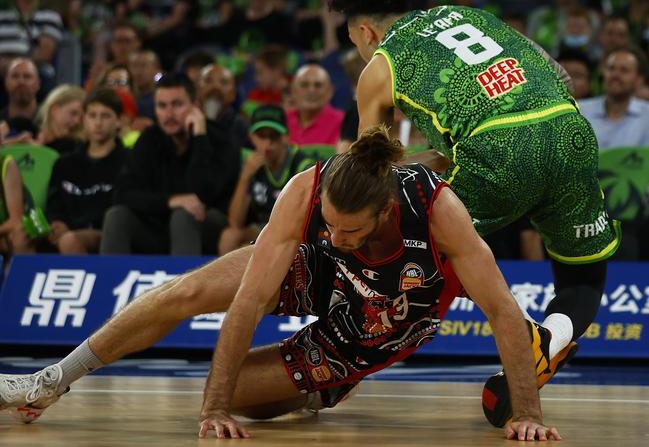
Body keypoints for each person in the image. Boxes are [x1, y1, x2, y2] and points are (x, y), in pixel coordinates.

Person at [0, 127, 560, 442]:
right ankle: (52, 379)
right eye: (331, 224)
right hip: (319, 270)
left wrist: (527, 416)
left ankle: (322, 386)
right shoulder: (306, 191)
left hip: (386, 315)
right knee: (186, 292)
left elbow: (506, 315)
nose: (338, 233)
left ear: (386, 211)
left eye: (352, 229)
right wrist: (211, 410)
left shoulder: (438, 212)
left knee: (250, 396)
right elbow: (247, 303)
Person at [329, 0, 620, 427]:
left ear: (366, 32)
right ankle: (551, 338)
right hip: (568, 129)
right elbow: (557, 71)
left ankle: (344, 363)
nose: (362, 52)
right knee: (584, 271)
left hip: (497, 149)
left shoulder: (380, 66)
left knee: (419, 252)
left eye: (357, 42)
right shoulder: (470, 14)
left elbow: (373, 171)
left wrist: (426, 161)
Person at [99, 73, 239, 255]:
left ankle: (184, 284)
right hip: (160, 224)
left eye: (177, 105)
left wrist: (199, 138)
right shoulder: (150, 139)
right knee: (117, 216)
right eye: (162, 106)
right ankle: (112, 282)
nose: (169, 114)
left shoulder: (221, 140)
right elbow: (122, 194)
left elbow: (203, 194)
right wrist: (170, 201)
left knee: (184, 214)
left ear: (195, 106)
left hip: (208, 224)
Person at [218, 104, 312, 254]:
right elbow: (235, 222)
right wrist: (245, 177)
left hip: (295, 232)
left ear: (286, 137)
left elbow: (305, 220)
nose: (268, 144)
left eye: (274, 136)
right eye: (261, 136)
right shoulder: (251, 165)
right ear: (252, 137)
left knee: (247, 251)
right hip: (264, 227)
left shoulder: (302, 166)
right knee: (230, 236)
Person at [46, 88, 127, 254]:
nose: (98, 123)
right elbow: (54, 204)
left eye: (105, 116)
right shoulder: (64, 163)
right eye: (92, 115)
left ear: (119, 121)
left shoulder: (129, 161)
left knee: (70, 241)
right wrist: (56, 222)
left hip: (107, 233)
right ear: (84, 119)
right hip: (66, 231)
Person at [579, 46, 649, 149]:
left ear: (639, 79)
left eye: (624, 70)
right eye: (611, 68)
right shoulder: (578, 111)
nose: (615, 75)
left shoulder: (647, 117)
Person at [286, 64, 344, 146]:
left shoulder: (343, 123)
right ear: (293, 90)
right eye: (304, 85)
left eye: (318, 85)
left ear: (330, 91)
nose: (311, 90)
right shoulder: (283, 120)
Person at [0, 57, 41, 144]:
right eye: (15, 76)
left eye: (27, 76)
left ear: (38, 83)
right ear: (5, 82)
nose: (21, 81)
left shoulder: (49, 122)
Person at [36, 84, 85, 155]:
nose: (77, 121)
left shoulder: (80, 150)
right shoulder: (29, 136)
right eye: (73, 113)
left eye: (81, 117)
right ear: (54, 110)